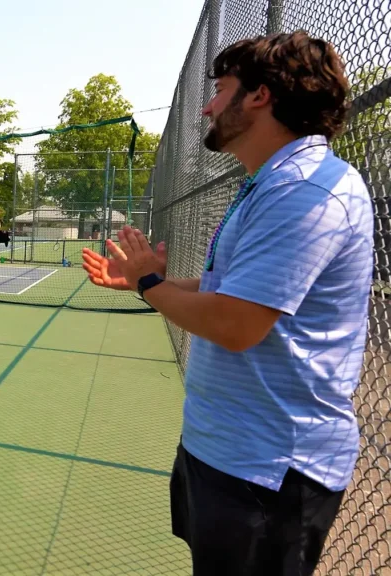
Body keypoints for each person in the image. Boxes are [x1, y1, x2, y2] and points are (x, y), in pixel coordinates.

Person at [81, 31, 371, 575]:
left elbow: (237, 324)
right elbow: (231, 292)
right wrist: (146, 283)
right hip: (225, 451)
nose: (207, 108)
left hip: (269, 470)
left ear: (260, 95)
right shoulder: (273, 183)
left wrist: (151, 286)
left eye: (219, 90)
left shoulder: (307, 190)